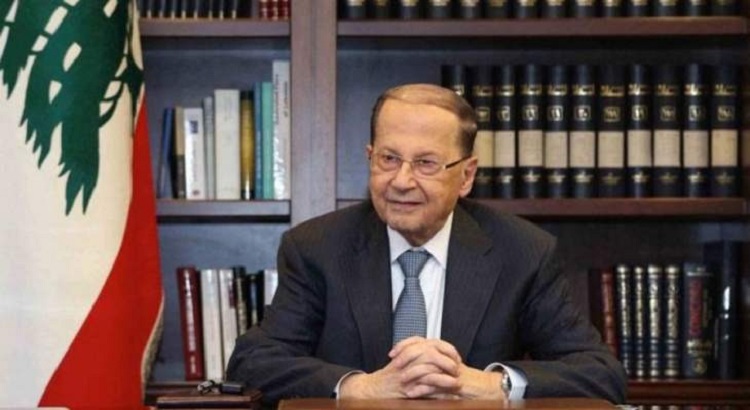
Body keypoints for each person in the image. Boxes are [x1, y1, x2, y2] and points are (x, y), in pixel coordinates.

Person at [226, 83, 627, 405]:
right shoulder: (317, 247)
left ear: (466, 176)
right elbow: (253, 363)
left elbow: (600, 373)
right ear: (369, 157)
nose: (402, 181)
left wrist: (492, 385)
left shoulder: (523, 252)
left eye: (425, 163)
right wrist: (360, 388)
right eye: (388, 159)